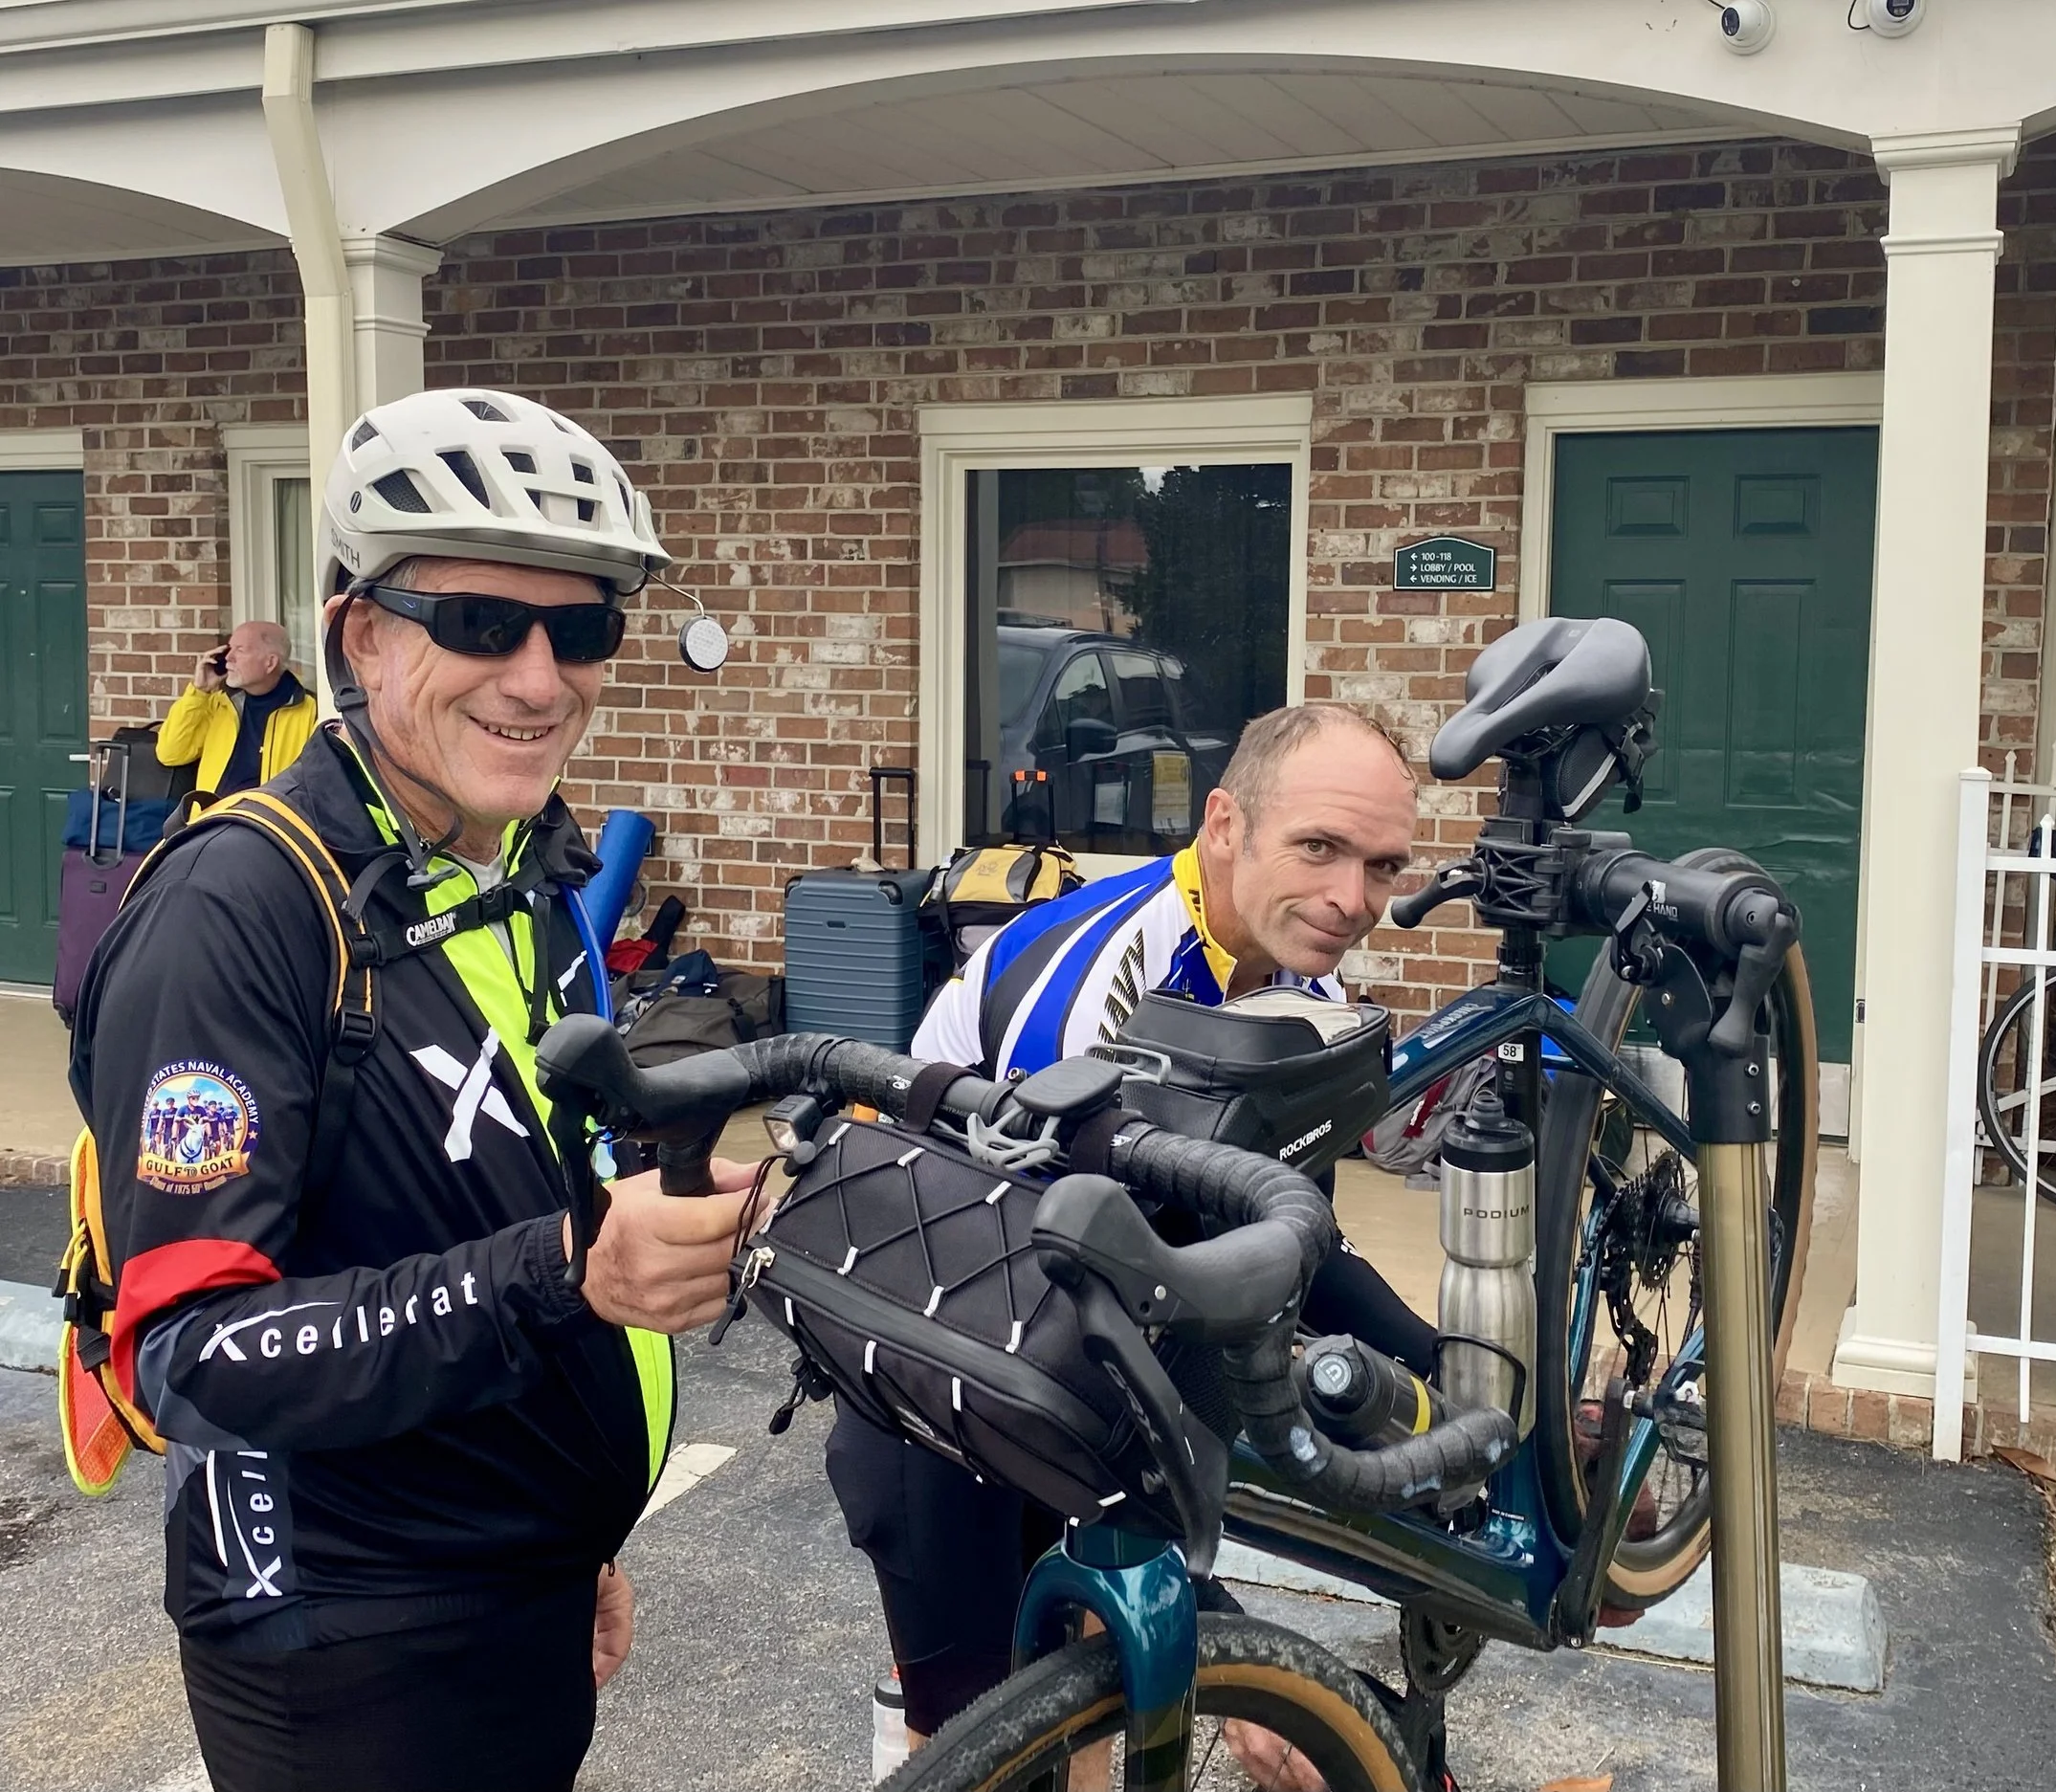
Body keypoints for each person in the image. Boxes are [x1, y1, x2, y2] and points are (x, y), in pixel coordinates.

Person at [77, 387, 756, 1792]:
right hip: (346, 1644)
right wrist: (568, 1273)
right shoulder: (240, 907)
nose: (539, 679)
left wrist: (574, 1532)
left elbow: (480, 1190)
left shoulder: (517, 868)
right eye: (480, 622)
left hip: (511, 1585)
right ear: (362, 636)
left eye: (582, 629)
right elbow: (191, 1355)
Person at [835, 705, 1433, 1778]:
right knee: (984, 1745)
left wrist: (1448, 1373)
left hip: (1056, 1341)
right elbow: (1075, 1326)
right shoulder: (1106, 980)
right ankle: (918, 1716)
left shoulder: (1298, 972)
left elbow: (1280, 1240)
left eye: (1382, 865)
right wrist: (1220, 1622)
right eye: (1319, 847)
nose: (1354, 899)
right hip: (943, 1370)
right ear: (1224, 824)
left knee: (1092, 1711)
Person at [156, 618, 315, 794]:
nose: (228, 657)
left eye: (240, 650)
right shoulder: (220, 703)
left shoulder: (309, 712)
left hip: (267, 811)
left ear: (270, 663)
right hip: (212, 811)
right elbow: (170, 753)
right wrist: (199, 692)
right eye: (229, 648)